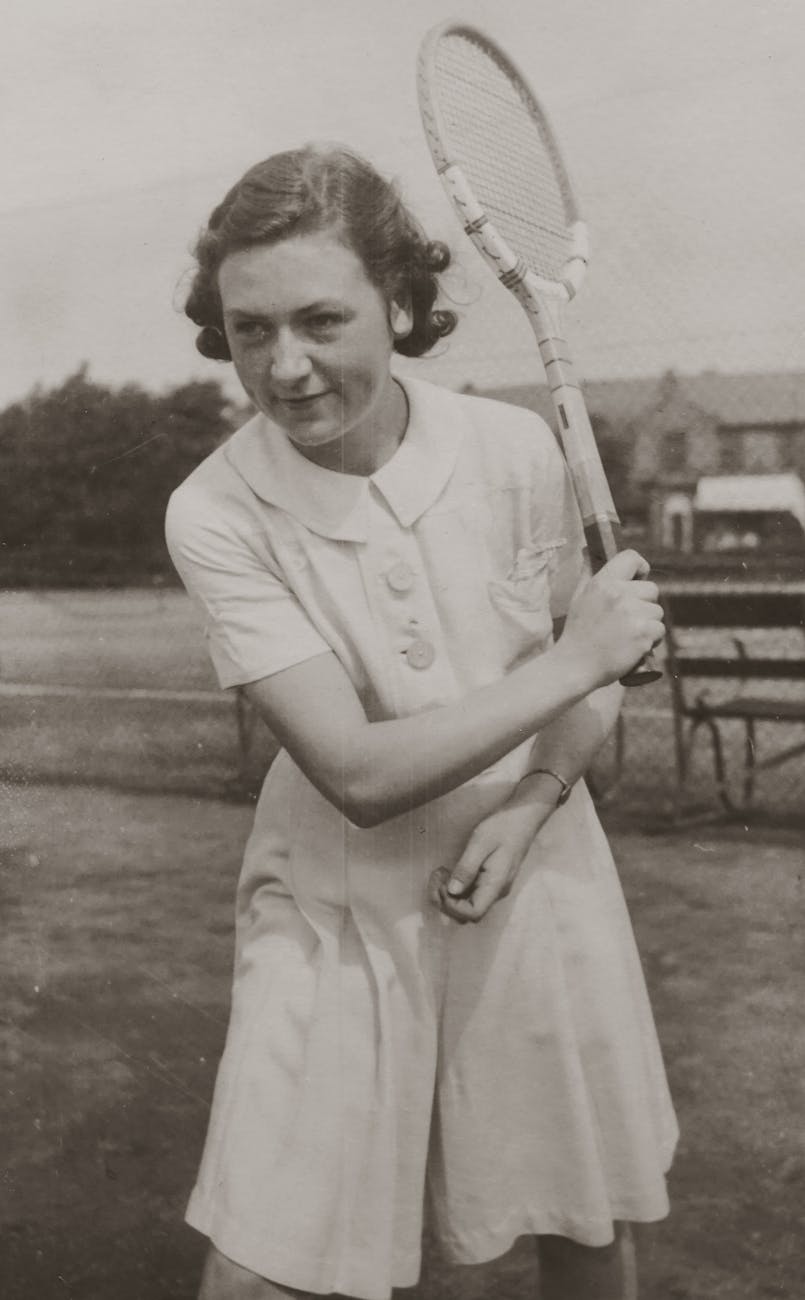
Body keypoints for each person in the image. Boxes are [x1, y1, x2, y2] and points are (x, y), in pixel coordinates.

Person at [165, 144, 677, 1300]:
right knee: (260, 1266)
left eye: (320, 319)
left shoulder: (511, 450)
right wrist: (583, 657)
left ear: (399, 301)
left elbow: (588, 673)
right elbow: (354, 769)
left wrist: (541, 797)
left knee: (574, 1219)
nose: (285, 366)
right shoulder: (212, 511)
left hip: (531, 874)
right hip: (330, 903)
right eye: (250, 329)